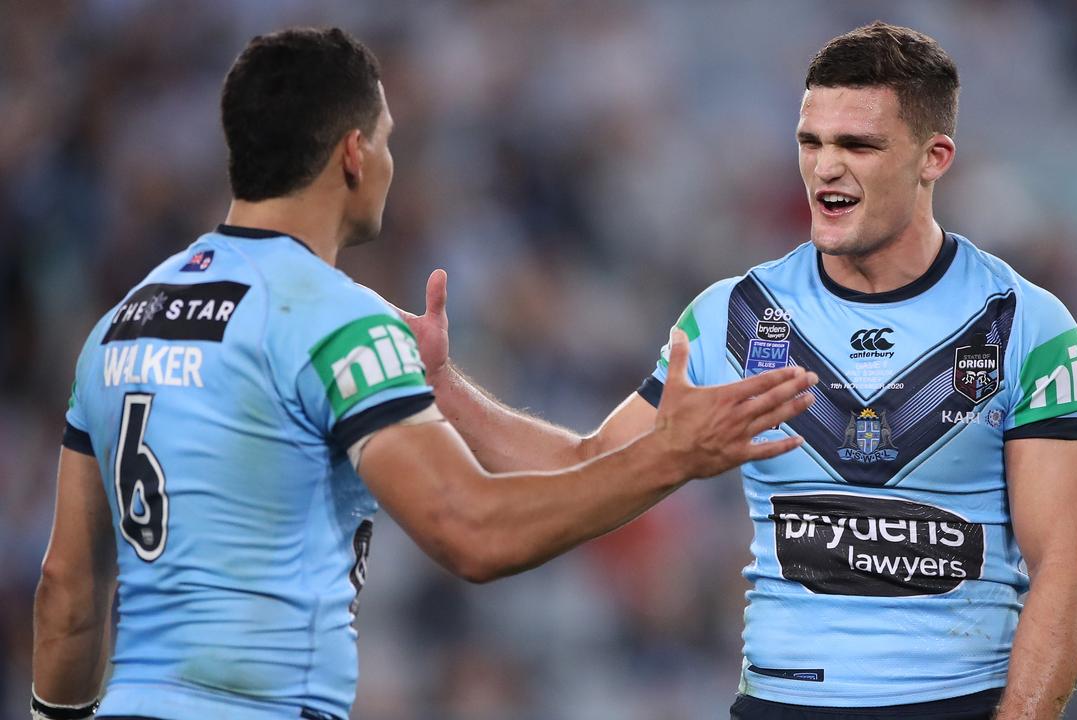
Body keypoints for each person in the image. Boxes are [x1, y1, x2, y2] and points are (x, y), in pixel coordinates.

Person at [30, 27, 819, 720]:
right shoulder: (331, 315)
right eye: (388, 139)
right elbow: (471, 533)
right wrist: (672, 455)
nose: (391, 163)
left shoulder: (118, 324)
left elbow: (68, 591)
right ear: (353, 153)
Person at [403, 21, 1077, 720]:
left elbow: (1071, 569)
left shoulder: (1026, 326)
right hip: (782, 703)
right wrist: (441, 386)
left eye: (858, 144)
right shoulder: (733, 317)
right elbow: (589, 464)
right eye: (812, 142)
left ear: (934, 158)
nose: (826, 166)